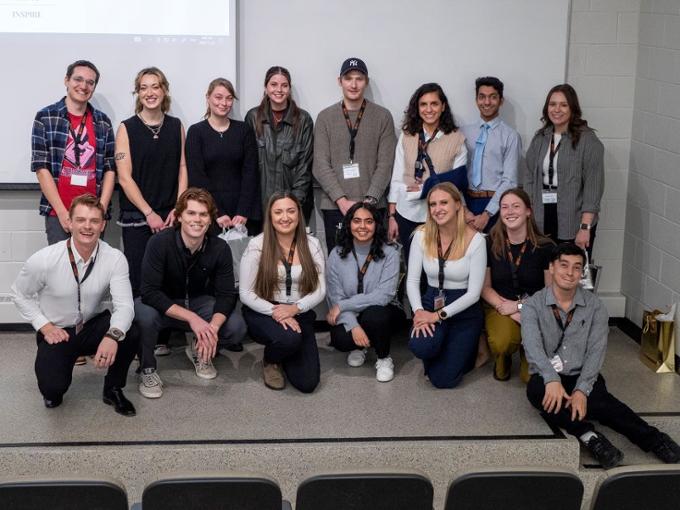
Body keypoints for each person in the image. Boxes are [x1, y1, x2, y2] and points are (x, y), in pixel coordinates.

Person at [523, 243, 680, 468]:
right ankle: (590, 437)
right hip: (549, 374)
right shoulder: (533, 306)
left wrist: (581, 390)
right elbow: (533, 348)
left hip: (582, 374)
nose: (569, 272)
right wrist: (552, 380)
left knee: (603, 405)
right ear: (552, 267)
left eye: (576, 268)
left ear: (582, 273)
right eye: (564, 265)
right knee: (538, 393)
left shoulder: (595, 307)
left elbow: (596, 353)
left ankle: (655, 440)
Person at [10, 194, 139, 416]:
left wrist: (112, 336)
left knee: (132, 330)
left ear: (103, 225)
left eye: (94, 221)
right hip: (58, 331)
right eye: (80, 220)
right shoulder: (45, 259)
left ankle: (113, 389)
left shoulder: (114, 258)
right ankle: (60, 366)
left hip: (91, 326)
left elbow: (125, 306)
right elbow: (19, 294)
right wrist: (45, 326)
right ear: (69, 223)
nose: (87, 227)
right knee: (52, 392)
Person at [134, 188, 247, 398]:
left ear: (210, 219)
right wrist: (192, 319)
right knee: (142, 314)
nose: (197, 220)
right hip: (164, 306)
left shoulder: (220, 248)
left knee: (236, 326)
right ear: (179, 217)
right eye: (191, 213)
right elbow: (149, 292)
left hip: (199, 302)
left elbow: (226, 295)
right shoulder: (160, 243)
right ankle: (147, 369)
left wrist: (211, 328)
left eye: (203, 214)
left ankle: (199, 347)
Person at [240, 192, 325, 393]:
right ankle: (271, 360)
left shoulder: (312, 244)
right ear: (270, 216)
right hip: (263, 310)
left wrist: (295, 309)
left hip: (299, 310)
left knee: (308, 383)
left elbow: (321, 290)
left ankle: (285, 353)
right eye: (278, 212)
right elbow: (245, 293)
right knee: (288, 339)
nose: (285, 217)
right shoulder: (257, 245)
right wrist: (277, 312)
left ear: (299, 214)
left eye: (290, 211)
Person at [116, 67, 187, 299]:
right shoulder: (126, 128)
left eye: (155, 86)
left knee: (171, 277)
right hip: (138, 218)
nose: (150, 92)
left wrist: (179, 208)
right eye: (143, 87)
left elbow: (182, 168)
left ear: (164, 90)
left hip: (170, 216)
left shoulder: (177, 126)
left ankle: (171, 332)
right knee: (139, 277)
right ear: (137, 93)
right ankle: (143, 332)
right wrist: (148, 213)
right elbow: (124, 178)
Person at [313, 58, 397, 251]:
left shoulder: (383, 117)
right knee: (339, 265)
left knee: (373, 265)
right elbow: (320, 164)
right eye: (348, 78)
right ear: (339, 81)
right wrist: (341, 201)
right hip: (336, 207)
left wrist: (368, 203)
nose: (353, 84)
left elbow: (386, 164)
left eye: (359, 79)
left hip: (374, 208)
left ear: (366, 82)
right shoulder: (325, 117)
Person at [407, 183, 485, 389]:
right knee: (421, 347)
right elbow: (413, 281)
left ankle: (468, 350)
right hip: (431, 300)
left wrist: (436, 316)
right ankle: (442, 351)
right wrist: (419, 312)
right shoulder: (421, 236)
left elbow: (474, 294)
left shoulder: (476, 240)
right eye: (432, 204)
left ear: (458, 205)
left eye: (444, 202)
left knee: (443, 380)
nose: (437, 209)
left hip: (464, 309)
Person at [31, 60, 115, 246]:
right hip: (59, 212)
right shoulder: (46, 117)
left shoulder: (103, 122)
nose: (83, 86)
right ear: (66, 80)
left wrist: (100, 210)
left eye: (90, 82)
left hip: (92, 215)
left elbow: (110, 168)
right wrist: (62, 212)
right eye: (78, 79)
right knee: (60, 271)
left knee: (92, 271)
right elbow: (41, 168)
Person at [388, 83, 468, 260]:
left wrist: (428, 186)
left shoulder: (456, 139)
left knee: (440, 264)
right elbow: (397, 177)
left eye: (434, 104)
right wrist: (392, 215)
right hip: (407, 213)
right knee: (412, 267)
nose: (429, 109)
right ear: (417, 108)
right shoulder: (407, 135)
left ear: (443, 106)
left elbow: (459, 182)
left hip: (441, 215)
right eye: (423, 104)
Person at [522, 84, 604, 258]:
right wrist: (528, 212)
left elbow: (593, 190)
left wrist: (585, 228)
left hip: (573, 220)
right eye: (552, 104)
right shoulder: (541, 138)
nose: (557, 109)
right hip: (542, 217)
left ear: (573, 108)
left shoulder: (589, 141)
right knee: (545, 270)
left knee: (570, 272)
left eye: (563, 105)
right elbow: (529, 175)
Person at [481, 188, 554, 382]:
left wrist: (521, 307)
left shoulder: (545, 247)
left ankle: (526, 350)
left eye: (516, 206)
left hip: (536, 307)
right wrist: (508, 309)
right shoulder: (490, 243)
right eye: (504, 207)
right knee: (502, 341)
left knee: (529, 379)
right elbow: (485, 287)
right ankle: (502, 357)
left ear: (528, 211)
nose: (510, 211)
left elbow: (550, 292)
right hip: (500, 305)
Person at [326, 202, 403, 382]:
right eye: (357, 221)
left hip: (385, 310)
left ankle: (384, 358)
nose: (362, 227)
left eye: (369, 222)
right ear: (349, 224)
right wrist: (353, 326)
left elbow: (384, 295)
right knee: (340, 340)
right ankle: (359, 346)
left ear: (376, 225)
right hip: (351, 314)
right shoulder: (336, 254)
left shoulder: (389, 253)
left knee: (374, 316)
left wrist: (343, 305)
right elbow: (334, 296)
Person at [186, 77, 261, 236]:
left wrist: (243, 212)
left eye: (229, 98)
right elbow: (197, 177)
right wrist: (216, 212)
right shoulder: (196, 132)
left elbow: (250, 173)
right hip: (209, 213)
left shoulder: (244, 130)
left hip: (243, 216)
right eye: (218, 97)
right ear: (208, 98)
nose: (224, 103)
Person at [245, 66, 314, 222]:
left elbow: (305, 167)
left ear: (289, 89)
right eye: (274, 84)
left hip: (292, 206)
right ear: (266, 87)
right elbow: (248, 166)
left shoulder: (303, 120)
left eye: (284, 85)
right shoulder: (253, 117)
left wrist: (292, 205)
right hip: (259, 207)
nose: (279, 89)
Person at [461, 76, 521, 233]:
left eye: (492, 97)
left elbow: (510, 180)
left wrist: (487, 214)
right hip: (465, 203)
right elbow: (457, 174)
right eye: (482, 97)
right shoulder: (463, 133)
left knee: (493, 254)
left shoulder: (510, 136)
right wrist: (464, 209)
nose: (486, 102)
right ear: (476, 100)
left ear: (501, 101)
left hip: (495, 203)